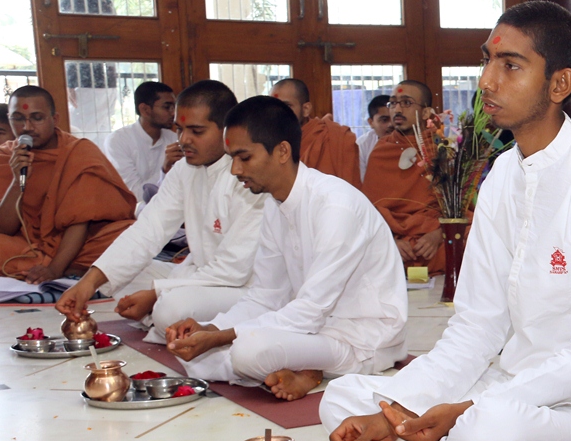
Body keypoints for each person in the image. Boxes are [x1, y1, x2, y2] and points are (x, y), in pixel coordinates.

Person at [320, 0, 571, 441]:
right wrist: (395, 413)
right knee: (344, 402)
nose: (486, 80)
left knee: (488, 432)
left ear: (559, 83)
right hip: (509, 386)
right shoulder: (504, 173)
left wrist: (456, 412)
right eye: (487, 61)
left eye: (510, 65)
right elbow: (476, 326)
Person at [165, 96, 407, 401]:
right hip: (312, 330)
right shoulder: (274, 205)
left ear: (282, 151)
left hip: (362, 337)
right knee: (198, 357)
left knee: (247, 351)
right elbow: (266, 295)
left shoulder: (336, 205)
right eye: (232, 158)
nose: (235, 170)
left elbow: (311, 309)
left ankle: (312, 369)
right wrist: (211, 328)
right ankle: (302, 365)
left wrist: (221, 337)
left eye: (244, 157)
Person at [56, 80, 265, 341]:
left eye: (196, 131)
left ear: (227, 130)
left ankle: (171, 319)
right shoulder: (184, 169)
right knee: (124, 281)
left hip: (243, 286)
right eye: (179, 129)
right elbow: (148, 230)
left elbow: (233, 269)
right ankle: (170, 318)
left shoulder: (249, 176)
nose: (184, 140)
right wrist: (88, 283)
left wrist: (157, 293)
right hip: (199, 276)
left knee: (170, 309)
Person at [0, 86, 135, 282]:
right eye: (18, 118)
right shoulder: (1, 158)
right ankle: (76, 269)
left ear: (54, 119)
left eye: (37, 118)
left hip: (79, 243)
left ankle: (53, 268)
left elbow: (80, 221)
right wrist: (17, 181)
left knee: (129, 233)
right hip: (26, 245)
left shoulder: (80, 152)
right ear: (9, 119)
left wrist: (55, 268)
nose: (27, 127)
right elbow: (3, 229)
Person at [361, 81, 444, 273]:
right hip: (394, 244)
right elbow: (369, 212)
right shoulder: (381, 151)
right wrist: (390, 241)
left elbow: (462, 210)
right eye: (393, 103)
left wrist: (438, 235)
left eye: (406, 103)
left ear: (425, 112)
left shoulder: (441, 150)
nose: (397, 109)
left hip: (435, 241)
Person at [57, 0, 119, 140]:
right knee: (99, 139)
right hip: (104, 78)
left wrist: (70, 80)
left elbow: (75, 36)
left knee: (77, 139)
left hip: (87, 82)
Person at [271, 78, 362, 189]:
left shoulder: (333, 137)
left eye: (287, 106)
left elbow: (347, 189)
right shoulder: (266, 141)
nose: (278, 113)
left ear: (306, 109)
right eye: (272, 107)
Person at [103, 81, 180, 204]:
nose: (173, 113)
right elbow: (135, 196)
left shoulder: (174, 138)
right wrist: (164, 170)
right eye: (167, 107)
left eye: (174, 107)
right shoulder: (118, 141)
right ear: (145, 109)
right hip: (132, 213)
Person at [358, 94, 392, 179]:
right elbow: (361, 180)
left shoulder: (409, 140)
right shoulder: (362, 144)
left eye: (394, 119)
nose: (391, 124)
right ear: (371, 122)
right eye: (384, 120)